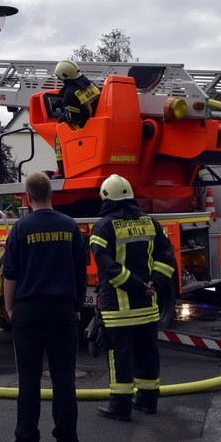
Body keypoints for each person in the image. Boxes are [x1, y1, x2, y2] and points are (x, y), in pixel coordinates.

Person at [2, 172, 88, 442]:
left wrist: (9, 307)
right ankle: (67, 440)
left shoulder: (20, 228)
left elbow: (10, 274)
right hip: (63, 311)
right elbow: (79, 272)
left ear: (28, 197)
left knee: (29, 378)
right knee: (64, 378)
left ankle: (26, 440)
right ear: (52, 194)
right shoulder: (70, 227)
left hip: (28, 310)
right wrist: (76, 308)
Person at [90, 174, 176, 421]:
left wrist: (137, 286)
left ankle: (120, 406)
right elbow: (167, 257)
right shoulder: (151, 223)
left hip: (118, 308)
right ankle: (148, 401)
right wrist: (154, 284)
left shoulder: (104, 226)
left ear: (106, 197)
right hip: (148, 306)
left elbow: (107, 266)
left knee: (120, 356)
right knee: (147, 352)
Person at [53, 60, 101, 178]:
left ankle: (63, 171)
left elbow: (77, 116)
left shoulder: (70, 93)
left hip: (84, 125)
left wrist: (63, 116)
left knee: (59, 134)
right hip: (95, 121)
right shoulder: (91, 85)